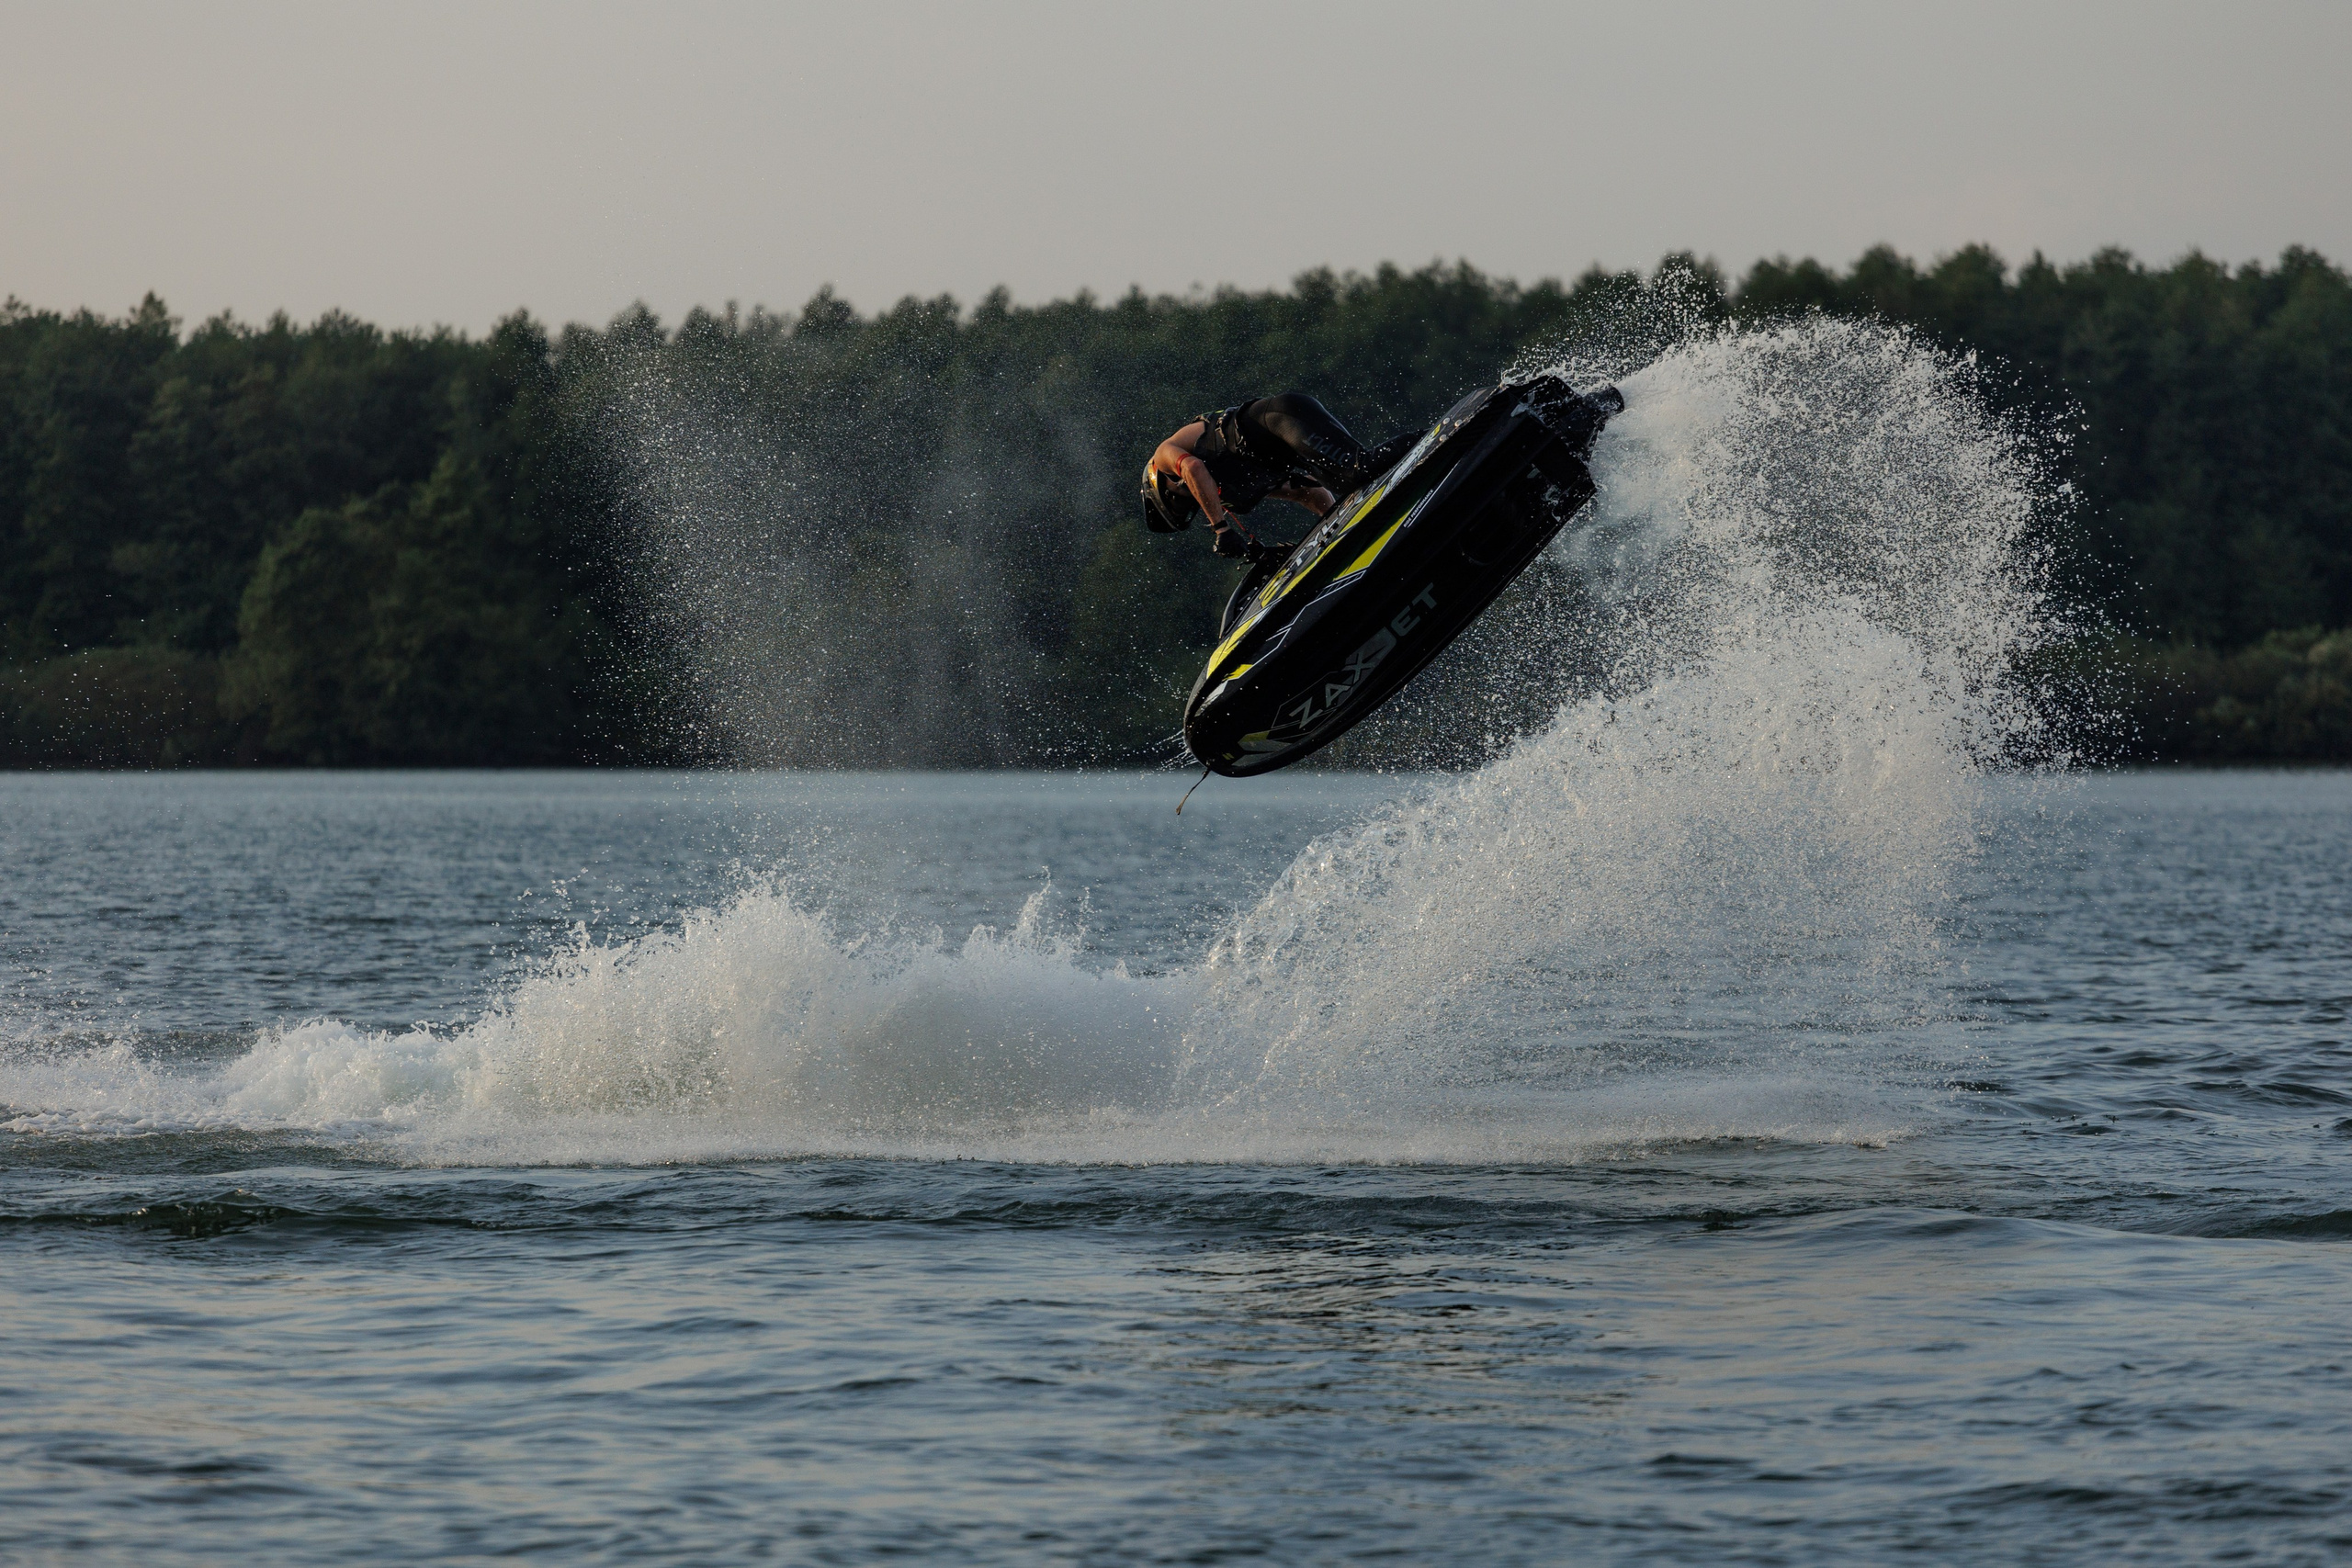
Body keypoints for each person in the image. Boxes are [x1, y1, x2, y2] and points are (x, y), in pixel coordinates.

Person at [1139, 393, 1416, 564]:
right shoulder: (1225, 491)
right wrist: (1336, 526)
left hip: (1282, 415)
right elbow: (1303, 492)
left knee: (1357, 469)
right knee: (1345, 484)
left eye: (1178, 507)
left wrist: (1221, 529)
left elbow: (1194, 470)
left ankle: (1444, 430)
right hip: (1291, 436)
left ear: (1162, 490)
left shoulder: (1163, 457)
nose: (1192, 505)